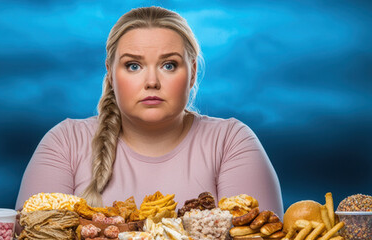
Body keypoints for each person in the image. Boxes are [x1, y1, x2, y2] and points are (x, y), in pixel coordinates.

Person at [15, 6, 283, 215]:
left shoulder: (231, 142)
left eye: (169, 65)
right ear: (110, 73)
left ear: (192, 75)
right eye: (133, 66)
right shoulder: (64, 143)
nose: (152, 82)